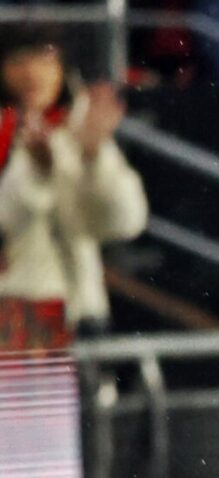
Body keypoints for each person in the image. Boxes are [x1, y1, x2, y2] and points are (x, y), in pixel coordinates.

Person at [0, 23, 146, 343]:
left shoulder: (77, 130)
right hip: (13, 317)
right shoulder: (5, 134)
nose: (32, 73)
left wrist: (94, 159)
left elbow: (123, 223)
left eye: (45, 59)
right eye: (19, 61)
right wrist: (37, 173)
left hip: (74, 313)